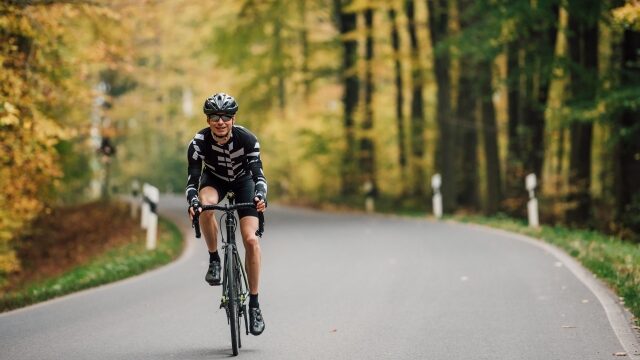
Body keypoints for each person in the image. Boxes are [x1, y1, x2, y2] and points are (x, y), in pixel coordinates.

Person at [186, 92, 267, 336]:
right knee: (206, 205)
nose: (220, 121)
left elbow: (259, 175)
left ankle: (254, 304)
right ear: (208, 119)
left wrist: (261, 196)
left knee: (251, 240)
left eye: (226, 116)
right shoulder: (198, 143)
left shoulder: (248, 139)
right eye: (214, 116)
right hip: (215, 180)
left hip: (243, 182)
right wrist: (193, 200)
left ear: (233, 119)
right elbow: (192, 180)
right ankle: (214, 260)